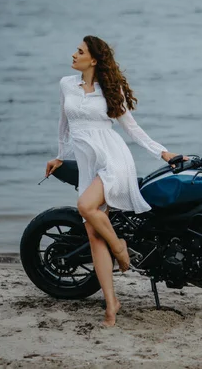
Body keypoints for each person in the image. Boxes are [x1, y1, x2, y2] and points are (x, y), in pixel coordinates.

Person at [45, 35, 187, 327]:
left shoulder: (111, 90)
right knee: (93, 233)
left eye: (80, 51)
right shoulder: (65, 84)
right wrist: (60, 156)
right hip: (87, 163)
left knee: (85, 206)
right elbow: (63, 124)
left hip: (112, 158)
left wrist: (162, 152)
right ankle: (112, 304)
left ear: (93, 59)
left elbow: (132, 129)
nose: (74, 54)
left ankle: (121, 249)